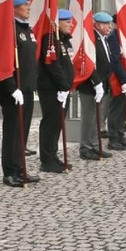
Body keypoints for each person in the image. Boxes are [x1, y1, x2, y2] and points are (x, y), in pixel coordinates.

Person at [0, 0, 40, 189]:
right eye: (25, 4)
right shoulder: (10, 30)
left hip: (27, 88)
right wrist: (12, 87)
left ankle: (20, 167)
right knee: (13, 130)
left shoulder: (26, 28)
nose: (28, 7)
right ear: (14, 7)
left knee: (22, 130)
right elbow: (4, 61)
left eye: (29, 4)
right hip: (14, 89)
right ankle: (10, 171)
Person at [37, 10, 75, 172]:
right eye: (67, 22)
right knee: (50, 123)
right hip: (51, 88)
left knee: (58, 123)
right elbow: (52, 65)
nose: (71, 25)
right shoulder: (51, 39)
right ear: (58, 23)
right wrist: (63, 85)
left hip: (62, 89)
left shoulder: (64, 41)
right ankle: (47, 160)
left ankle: (53, 155)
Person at [78, 13, 112, 161]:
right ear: (97, 25)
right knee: (89, 117)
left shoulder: (103, 39)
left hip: (102, 84)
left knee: (97, 117)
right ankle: (85, 147)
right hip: (90, 85)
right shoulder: (92, 39)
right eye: (106, 24)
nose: (109, 27)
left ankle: (95, 145)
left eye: (110, 24)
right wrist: (96, 82)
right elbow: (90, 64)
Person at [104, 18, 126, 152]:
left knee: (123, 109)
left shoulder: (124, 36)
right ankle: (113, 138)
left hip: (125, 76)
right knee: (116, 109)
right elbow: (115, 61)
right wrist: (123, 79)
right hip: (117, 78)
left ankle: (121, 136)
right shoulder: (114, 37)